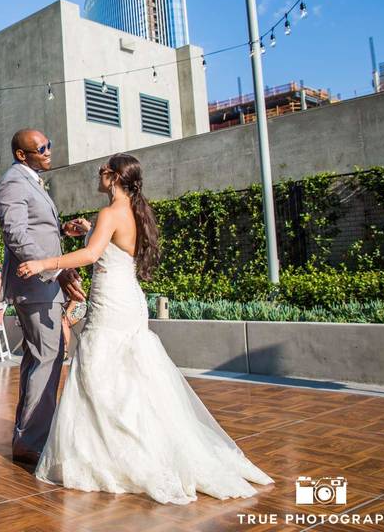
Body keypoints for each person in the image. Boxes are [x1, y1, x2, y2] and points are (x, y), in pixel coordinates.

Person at [18, 153, 273, 504]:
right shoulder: (135, 210)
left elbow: (92, 256)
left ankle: (114, 454)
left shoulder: (110, 213)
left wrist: (43, 262)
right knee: (129, 373)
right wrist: (87, 230)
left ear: (114, 177)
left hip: (112, 301)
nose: (98, 174)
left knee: (101, 371)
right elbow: (109, 245)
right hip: (129, 299)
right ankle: (139, 445)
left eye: (102, 171)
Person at [0, 128, 85, 467]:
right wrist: (56, 270)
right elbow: (15, 234)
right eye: (41, 147)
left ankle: (28, 436)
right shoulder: (13, 182)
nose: (49, 150)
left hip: (43, 285)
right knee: (47, 357)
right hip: (36, 286)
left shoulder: (29, 180)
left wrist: (62, 232)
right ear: (22, 154)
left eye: (49, 143)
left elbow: (32, 226)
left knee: (42, 358)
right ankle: (31, 441)